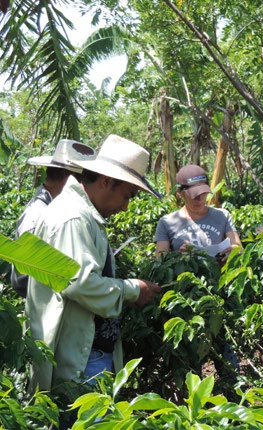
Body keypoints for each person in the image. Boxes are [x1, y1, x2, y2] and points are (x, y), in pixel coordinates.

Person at [25, 135, 163, 394]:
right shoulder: (74, 217)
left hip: (88, 354)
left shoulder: (85, 216)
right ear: (106, 181)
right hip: (78, 363)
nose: (125, 207)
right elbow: (79, 284)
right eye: (127, 196)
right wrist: (133, 289)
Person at [10, 139, 97, 297]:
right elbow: (23, 278)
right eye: (83, 181)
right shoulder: (36, 215)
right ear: (68, 178)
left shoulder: (59, 210)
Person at [154, 164, 241, 265]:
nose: (200, 199)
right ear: (180, 193)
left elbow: (239, 248)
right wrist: (179, 257)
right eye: (194, 195)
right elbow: (159, 262)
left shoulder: (223, 216)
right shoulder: (166, 222)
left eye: (203, 194)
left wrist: (232, 252)